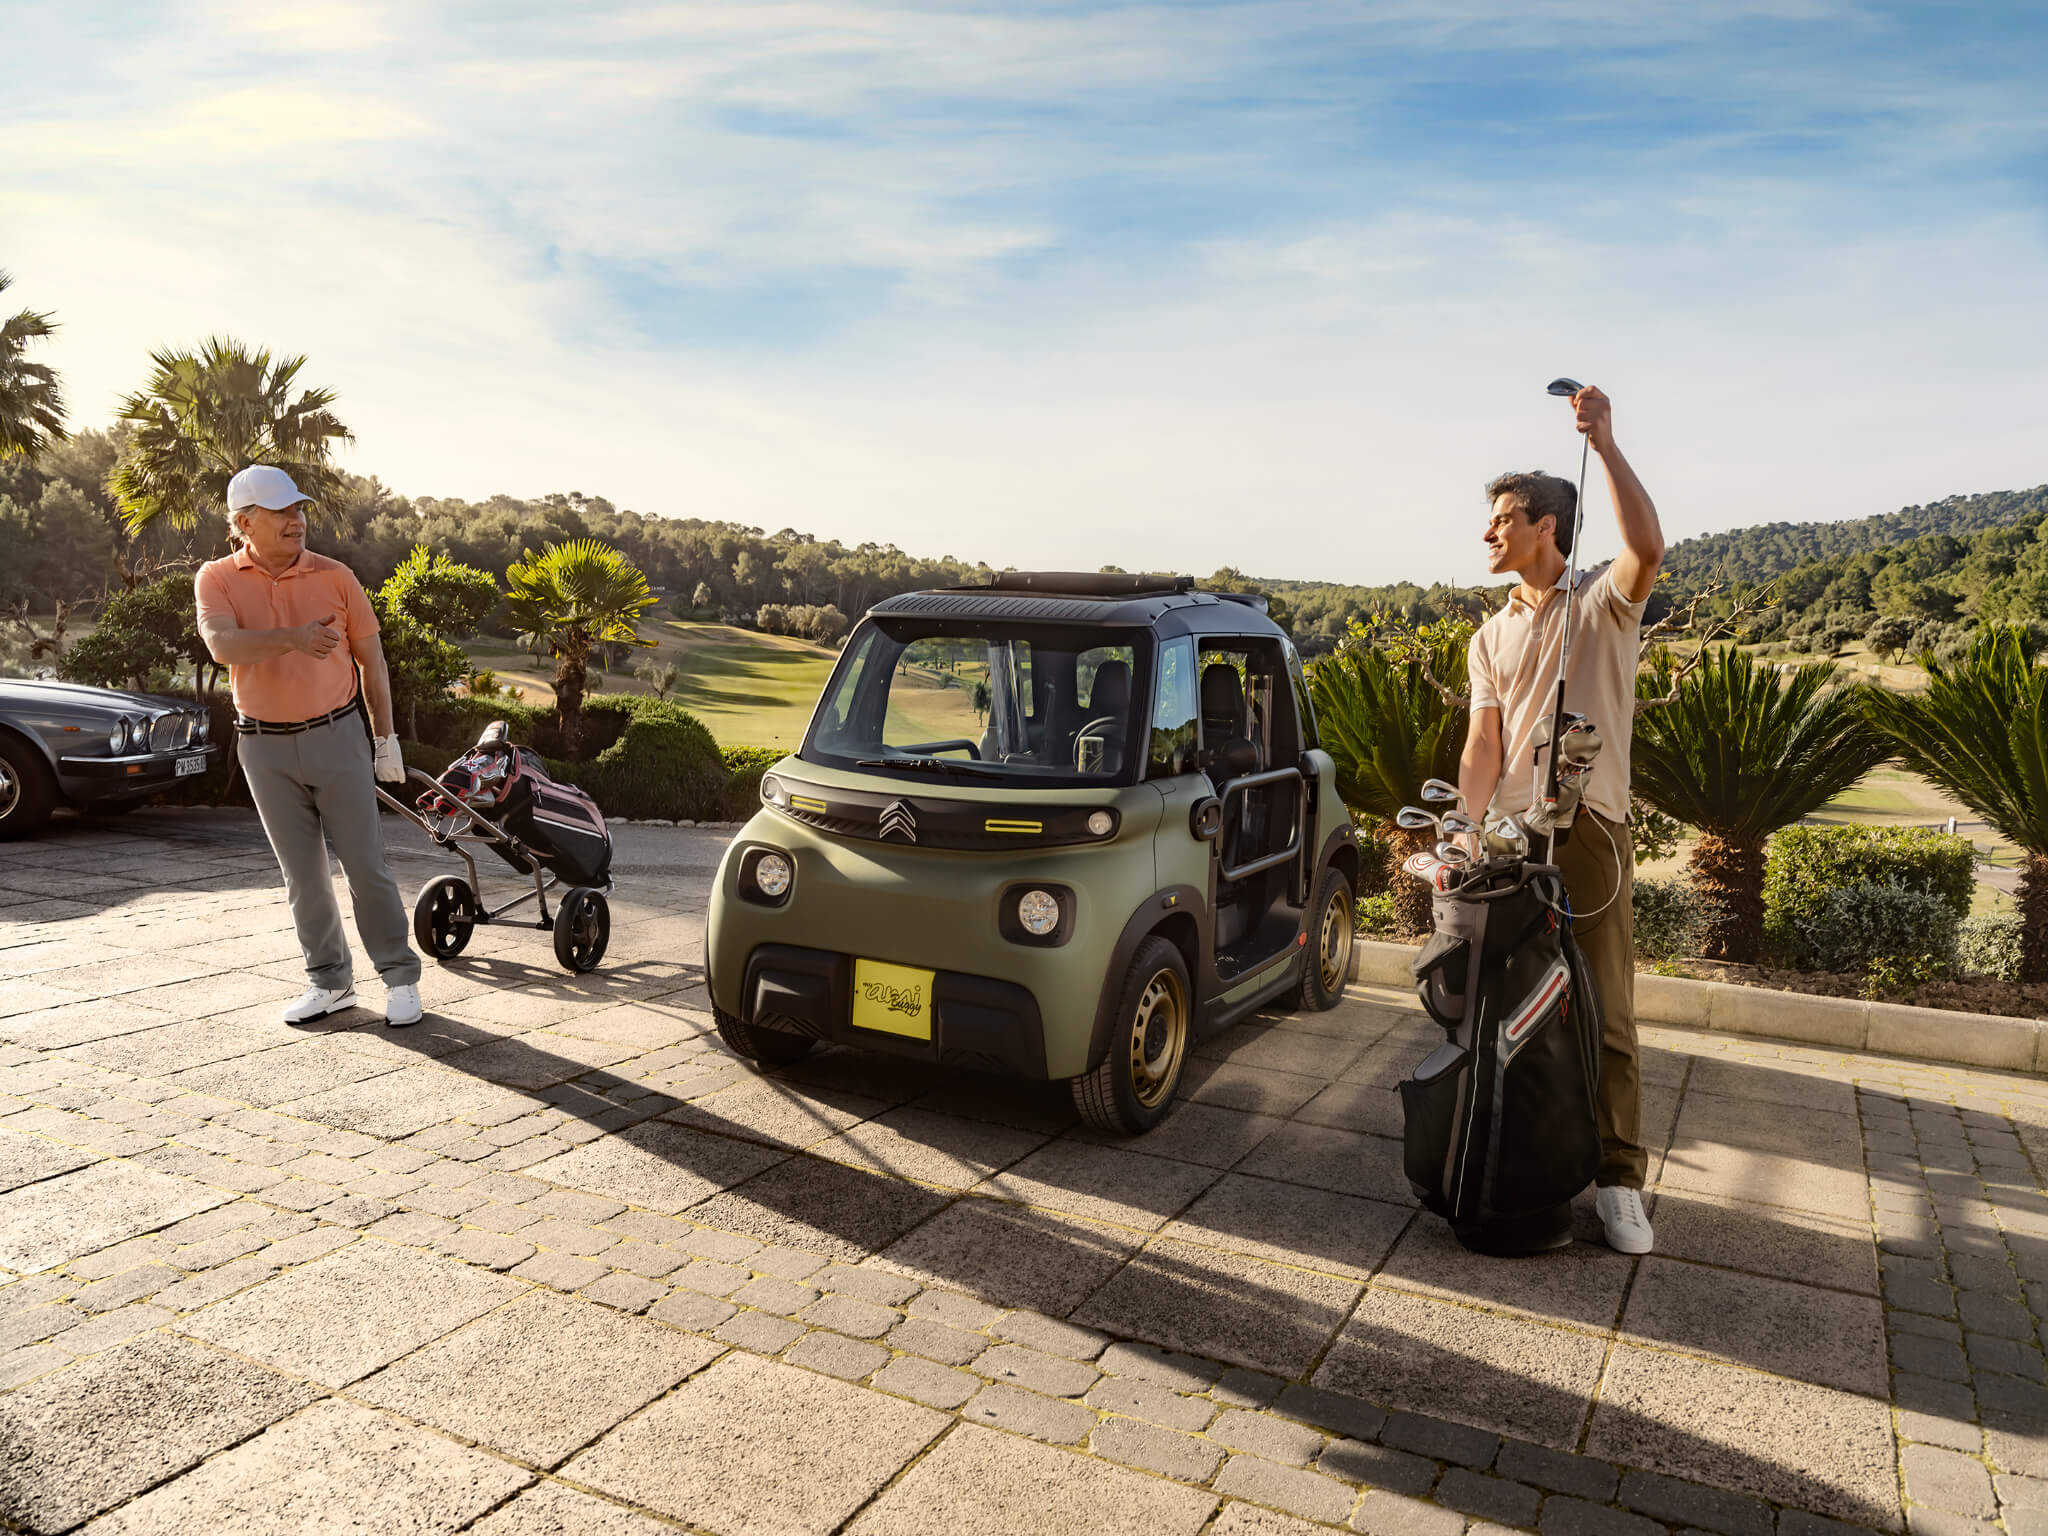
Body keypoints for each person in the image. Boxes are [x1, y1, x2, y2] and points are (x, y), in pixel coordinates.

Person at [1456, 385, 1664, 1255]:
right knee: (1499, 1005)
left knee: (1606, 1010)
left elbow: (1647, 545)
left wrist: (1606, 443)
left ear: (1548, 524)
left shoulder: (1605, 603)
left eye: (1505, 518)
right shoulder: (1488, 635)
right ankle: (1506, 1156)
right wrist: (1464, 832)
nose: (1489, 532)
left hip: (1588, 833)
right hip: (1509, 841)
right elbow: (1482, 743)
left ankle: (1619, 1180)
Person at [195, 465, 422, 1027]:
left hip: (337, 737)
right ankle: (330, 981)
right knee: (303, 875)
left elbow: (373, 661)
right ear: (245, 522)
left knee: (366, 867)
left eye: (298, 509)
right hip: (262, 748)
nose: (297, 521)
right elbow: (223, 646)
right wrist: (295, 639)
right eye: (281, 512)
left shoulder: (337, 576)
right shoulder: (216, 578)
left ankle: (398, 977)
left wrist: (385, 739)